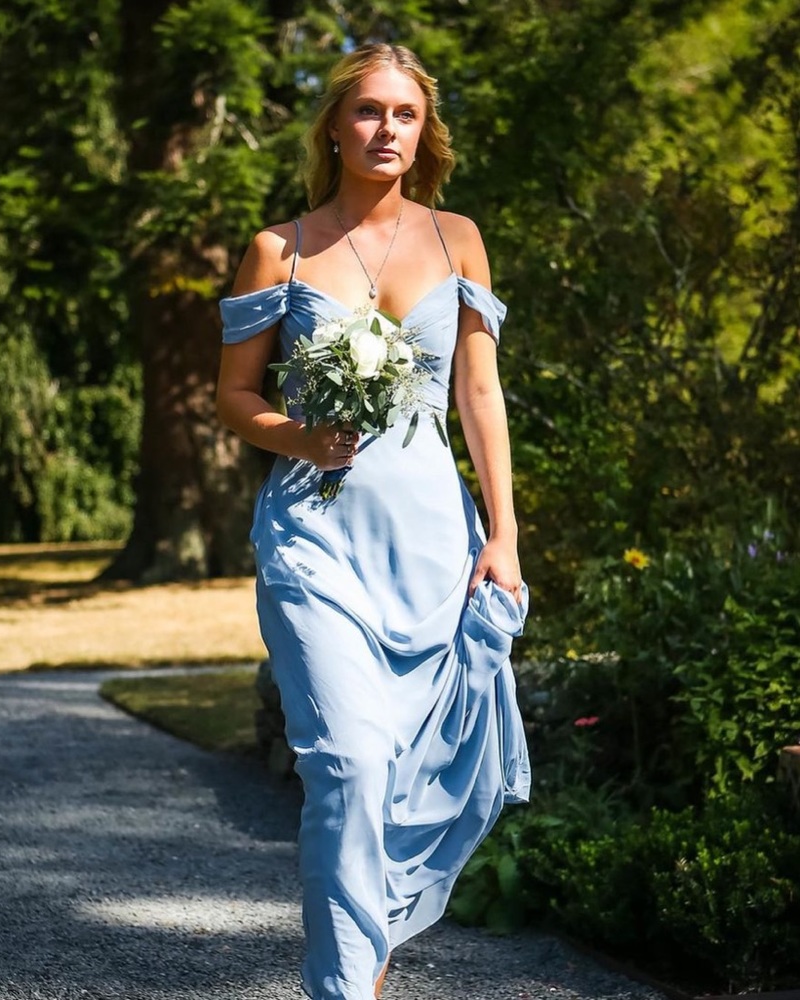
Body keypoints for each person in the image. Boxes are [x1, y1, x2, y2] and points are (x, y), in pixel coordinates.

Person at [216, 43, 531, 999]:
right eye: (367, 111)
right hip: (314, 536)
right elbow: (234, 397)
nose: (385, 129)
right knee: (349, 762)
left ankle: (362, 967)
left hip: (433, 542)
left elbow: (479, 394)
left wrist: (505, 534)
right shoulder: (280, 249)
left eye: (404, 114)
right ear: (334, 128)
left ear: (424, 132)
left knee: (403, 777)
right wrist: (300, 438)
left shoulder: (458, 239)